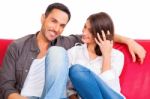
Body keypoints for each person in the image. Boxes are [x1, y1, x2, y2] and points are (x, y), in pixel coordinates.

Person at [0, 2, 146, 99]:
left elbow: (100, 34)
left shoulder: (67, 43)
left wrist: (128, 41)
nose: (57, 29)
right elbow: (6, 86)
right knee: (65, 60)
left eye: (62, 25)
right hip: (30, 97)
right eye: (53, 21)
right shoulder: (18, 46)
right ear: (43, 18)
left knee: (58, 53)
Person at [67, 12, 125, 99]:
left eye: (90, 31)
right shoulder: (73, 52)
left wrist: (106, 55)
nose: (84, 32)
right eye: (85, 27)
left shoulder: (117, 56)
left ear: (101, 34)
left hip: (112, 97)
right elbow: (69, 88)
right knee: (76, 70)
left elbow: (109, 87)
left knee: (77, 70)